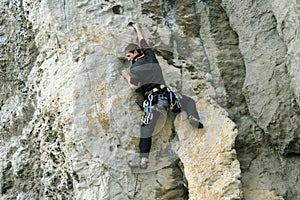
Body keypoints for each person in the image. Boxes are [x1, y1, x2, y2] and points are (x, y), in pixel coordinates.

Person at [121, 22, 203, 169]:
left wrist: (126, 75)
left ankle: (143, 161)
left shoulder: (135, 68)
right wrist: (138, 28)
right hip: (168, 96)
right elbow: (142, 41)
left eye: (128, 56)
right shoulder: (150, 54)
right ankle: (193, 117)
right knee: (189, 101)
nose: (128, 59)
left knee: (146, 130)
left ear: (134, 53)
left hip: (154, 101)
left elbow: (133, 86)